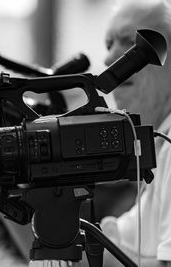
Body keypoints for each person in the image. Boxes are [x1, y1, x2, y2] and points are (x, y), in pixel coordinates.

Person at [100, 0, 171, 266]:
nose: (108, 59)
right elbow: (105, 257)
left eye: (129, 42)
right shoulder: (162, 144)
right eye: (109, 44)